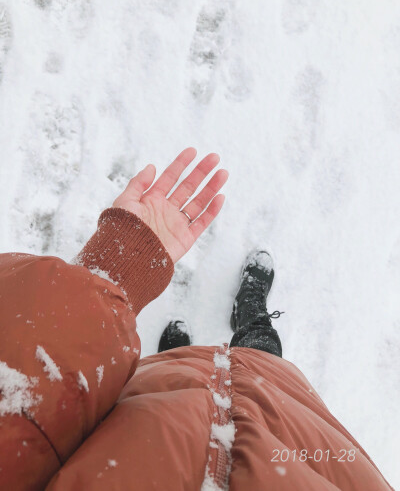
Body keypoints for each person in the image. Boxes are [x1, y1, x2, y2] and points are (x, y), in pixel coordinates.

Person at [0, 147, 393, 491]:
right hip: (289, 428)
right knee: (264, 360)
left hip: (147, 416)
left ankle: (180, 363)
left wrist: (111, 275)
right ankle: (249, 319)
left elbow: (15, 412)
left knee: (171, 377)